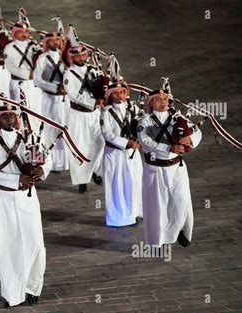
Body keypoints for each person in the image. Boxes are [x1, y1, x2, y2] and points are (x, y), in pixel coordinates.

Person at [0, 103, 52, 307]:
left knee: (35, 244)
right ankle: (11, 293)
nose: (10, 119)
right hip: (2, 198)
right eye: (5, 117)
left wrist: (43, 170)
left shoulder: (29, 138)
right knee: (6, 245)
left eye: (13, 116)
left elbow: (46, 158)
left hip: (28, 199)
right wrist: (16, 179)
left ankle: (33, 288)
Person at [137, 87, 202, 247]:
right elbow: (145, 141)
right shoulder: (145, 121)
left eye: (165, 98)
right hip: (155, 169)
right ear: (150, 102)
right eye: (158, 99)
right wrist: (168, 148)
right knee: (157, 207)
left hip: (176, 168)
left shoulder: (177, 118)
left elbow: (196, 131)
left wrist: (190, 139)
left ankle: (182, 230)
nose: (162, 101)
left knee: (182, 200)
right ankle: (156, 241)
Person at [100, 80, 143, 227]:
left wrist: (140, 138)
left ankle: (134, 213)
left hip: (132, 153)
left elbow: (143, 125)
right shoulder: (105, 113)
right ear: (110, 96)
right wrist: (126, 143)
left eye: (122, 92)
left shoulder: (134, 109)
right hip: (114, 154)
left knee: (134, 182)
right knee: (116, 185)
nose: (119, 95)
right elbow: (107, 134)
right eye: (116, 93)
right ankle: (117, 218)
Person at [63, 44, 105, 193]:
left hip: (95, 114)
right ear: (72, 57)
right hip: (78, 115)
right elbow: (73, 94)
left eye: (83, 55)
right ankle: (82, 180)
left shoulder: (94, 71)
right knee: (80, 147)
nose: (81, 58)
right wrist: (94, 101)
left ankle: (95, 170)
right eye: (77, 56)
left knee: (101, 141)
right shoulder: (69, 74)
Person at [33, 31, 69, 172]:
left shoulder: (66, 58)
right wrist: (54, 88)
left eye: (58, 40)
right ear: (47, 42)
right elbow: (37, 80)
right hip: (49, 99)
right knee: (51, 130)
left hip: (66, 101)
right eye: (52, 40)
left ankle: (67, 161)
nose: (56, 43)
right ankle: (55, 162)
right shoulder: (42, 58)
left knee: (66, 129)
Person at [4, 21, 42, 128]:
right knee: (20, 111)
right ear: (14, 33)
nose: (24, 34)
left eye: (26, 31)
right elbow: (11, 67)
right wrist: (28, 74)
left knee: (36, 109)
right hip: (18, 83)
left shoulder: (33, 46)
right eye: (20, 32)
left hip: (34, 84)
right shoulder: (9, 48)